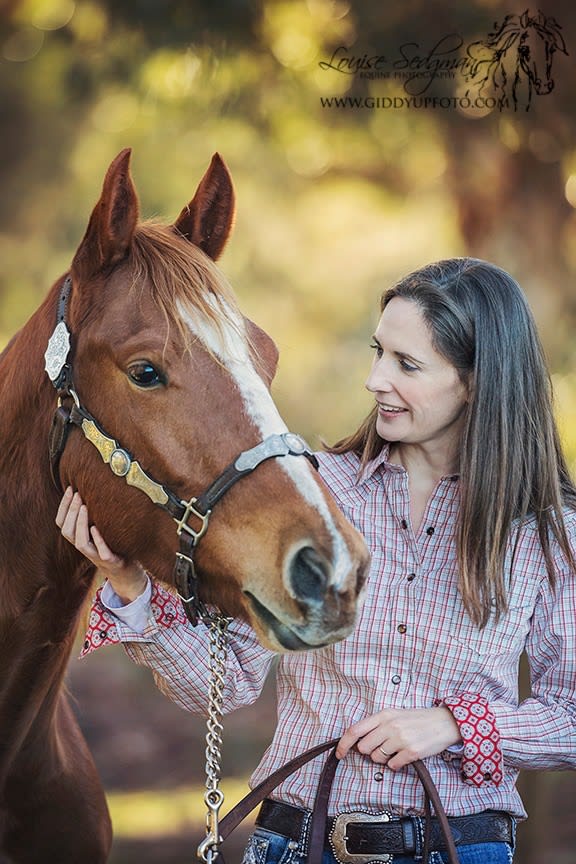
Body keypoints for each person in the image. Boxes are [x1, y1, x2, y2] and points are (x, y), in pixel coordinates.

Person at [58, 257, 576, 864]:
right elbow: (225, 684)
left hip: (463, 847)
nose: (376, 380)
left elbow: (569, 714)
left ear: (478, 381)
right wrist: (129, 584)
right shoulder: (311, 491)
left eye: (406, 364)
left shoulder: (547, 530)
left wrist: (455, 726)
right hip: (298, 841)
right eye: (377, 352)